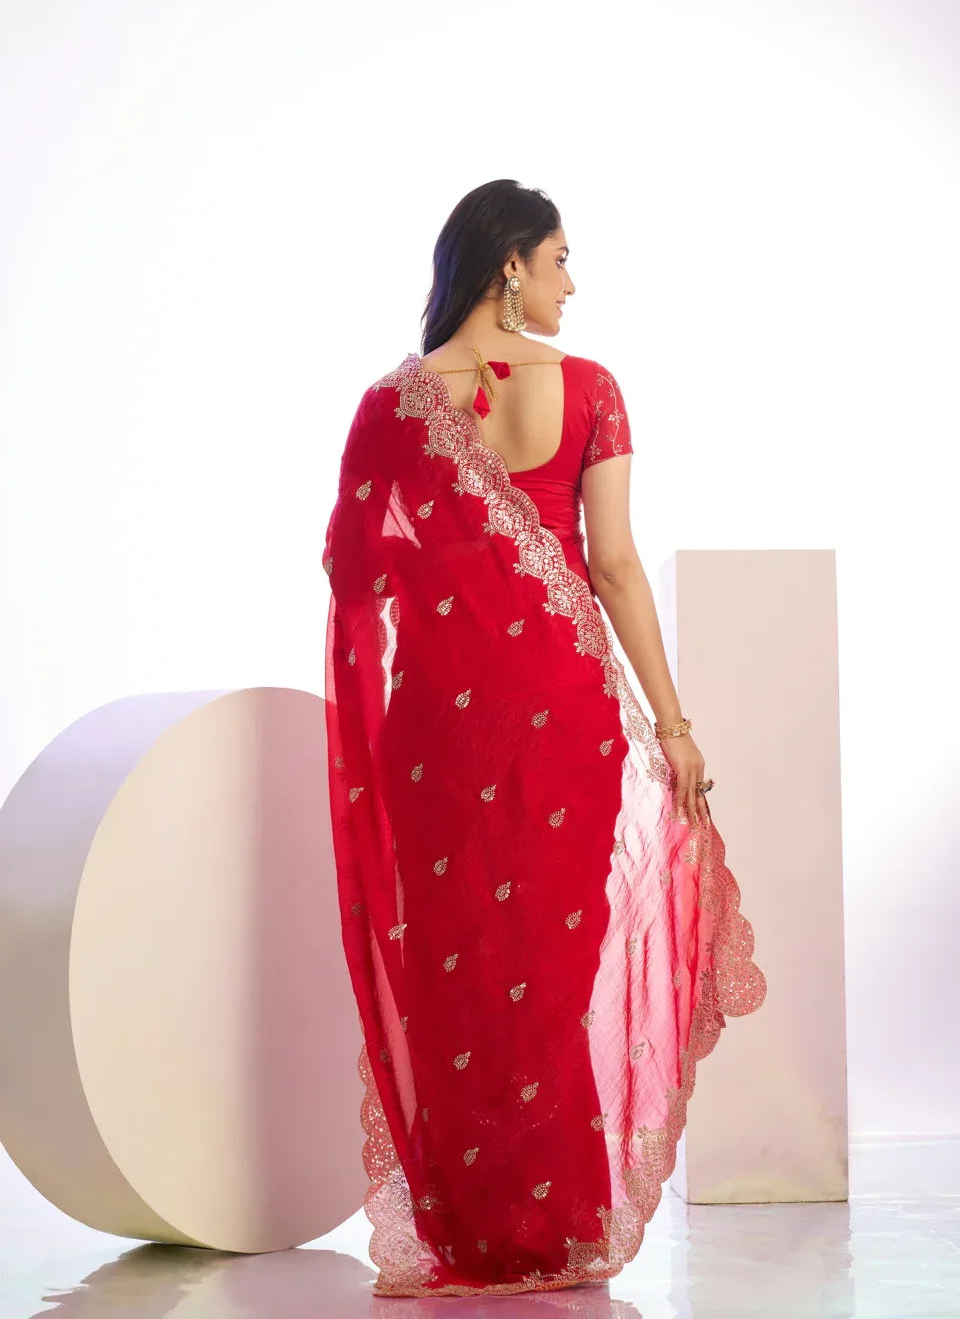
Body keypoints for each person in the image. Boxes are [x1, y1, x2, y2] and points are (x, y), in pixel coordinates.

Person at [321, 179, 766, 1298]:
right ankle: (553, 1226)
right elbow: (611, 565)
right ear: (508, 263)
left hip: (440, 722)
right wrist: (672, 723)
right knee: (548, 975)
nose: (573, 281)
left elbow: (354, 571)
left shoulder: (392, 405)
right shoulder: (593, 390)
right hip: (565, 708)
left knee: (460, 972)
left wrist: (452, 567)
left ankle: (477, 1230)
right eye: (560, 258)